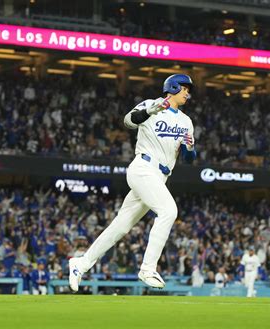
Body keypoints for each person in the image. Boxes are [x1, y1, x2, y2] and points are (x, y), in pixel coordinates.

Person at [69, 74, 196, 291]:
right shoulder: (150, 104)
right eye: (185, 88)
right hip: (143, 167)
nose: (188, 93)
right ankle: (147, 268)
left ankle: (81, 263)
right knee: (168, 211)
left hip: (161, 176)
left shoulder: (186, 121)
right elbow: (128, 122)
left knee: (121, 226)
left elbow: (188, 159)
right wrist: (150, 111)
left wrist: (191, 148)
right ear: (173, 87)